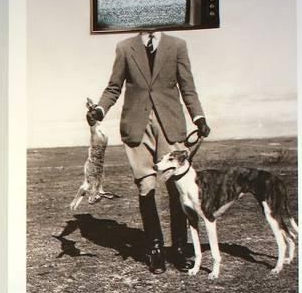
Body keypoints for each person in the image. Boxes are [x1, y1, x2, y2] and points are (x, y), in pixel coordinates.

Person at [87, 31, 210, 273]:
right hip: (137, 127)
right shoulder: (124, 47)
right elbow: (114, 87)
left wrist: (199, 117)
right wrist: (100, 110)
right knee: (146, 186)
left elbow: (188, 87)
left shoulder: (177, 46)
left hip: (171, 125)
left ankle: (178, 249)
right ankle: (155, 250)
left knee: (177, 188)